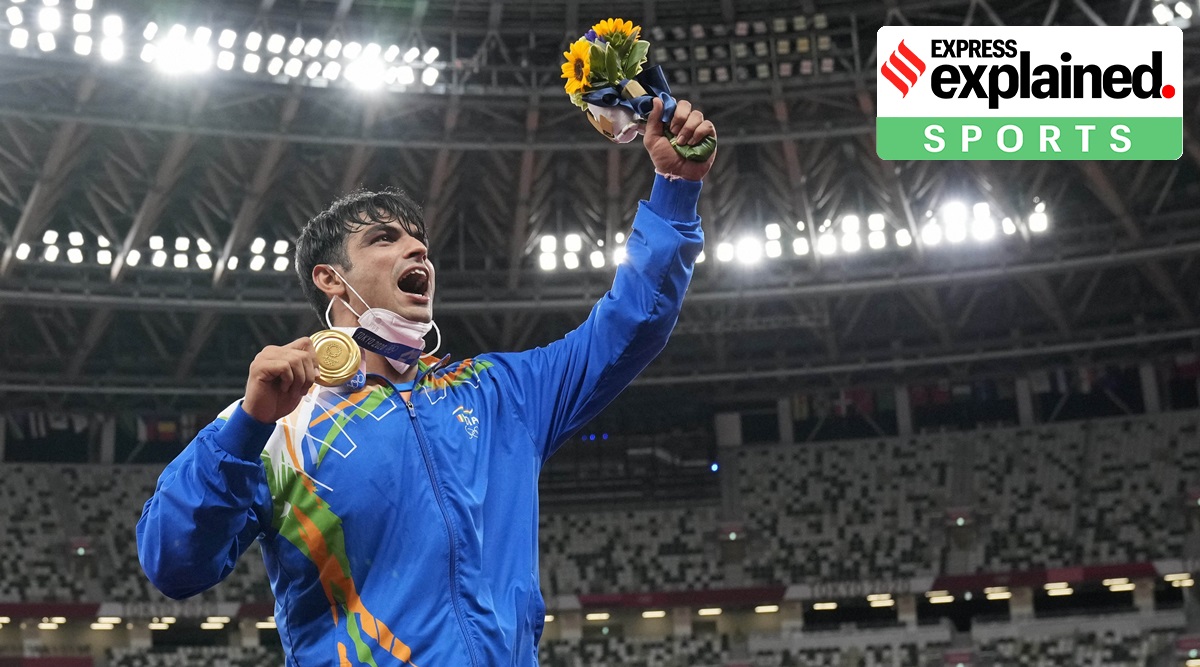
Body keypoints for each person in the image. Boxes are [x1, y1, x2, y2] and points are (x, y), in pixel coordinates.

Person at [137, 97, 715, 666]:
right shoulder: (275, 427)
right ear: (330, 279)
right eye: (384, 239)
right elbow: (174, 565)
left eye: (419, 241)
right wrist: (245, 426)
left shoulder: (498, 393)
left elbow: (630, 324)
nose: (418, 249)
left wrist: (674, 189)